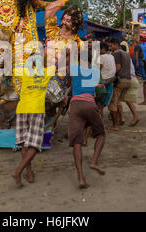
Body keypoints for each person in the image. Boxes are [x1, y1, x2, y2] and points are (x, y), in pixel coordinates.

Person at [11, 46, 58, 188]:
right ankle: (19, 171)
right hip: (37, 110)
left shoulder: (23, 71)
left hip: (22, 109)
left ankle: (29, 172)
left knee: (24, 142)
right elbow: (57, 64)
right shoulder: (46, 72)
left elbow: (12, 67)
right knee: (35, 145)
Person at [68, 50, 106, 189]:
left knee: (76, 143)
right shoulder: (94, 72)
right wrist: (102, 85)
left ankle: (81, 178)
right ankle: (94, 162)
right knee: (101, 134)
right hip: (90, 104)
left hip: (75, 105)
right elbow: (97, 86)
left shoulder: (74, 69)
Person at [107, 38, 131, 131]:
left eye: (111, 45)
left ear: (116, 44)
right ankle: (121, 118)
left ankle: (115, 125)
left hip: (120, 81)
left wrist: (110, 77)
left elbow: (118, 67)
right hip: (128, 81)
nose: (110, 47)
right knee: (118, 102)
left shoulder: (117, 53)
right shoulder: (126, 53)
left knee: (113, 104)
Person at [119, 45, 140, 127]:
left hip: (129, 79)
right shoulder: (128, 57)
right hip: (133, 79)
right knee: (126, 99)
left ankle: (123, 117)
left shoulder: (121, 58)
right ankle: (131, 116)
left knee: (121, 99)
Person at [99, 42, 116, 116]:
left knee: (98, 102)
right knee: (104, 103)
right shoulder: (111, 56)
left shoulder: (101, 57)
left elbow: (98, 70)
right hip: (111, 81)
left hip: (102, 81)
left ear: (102, 49)